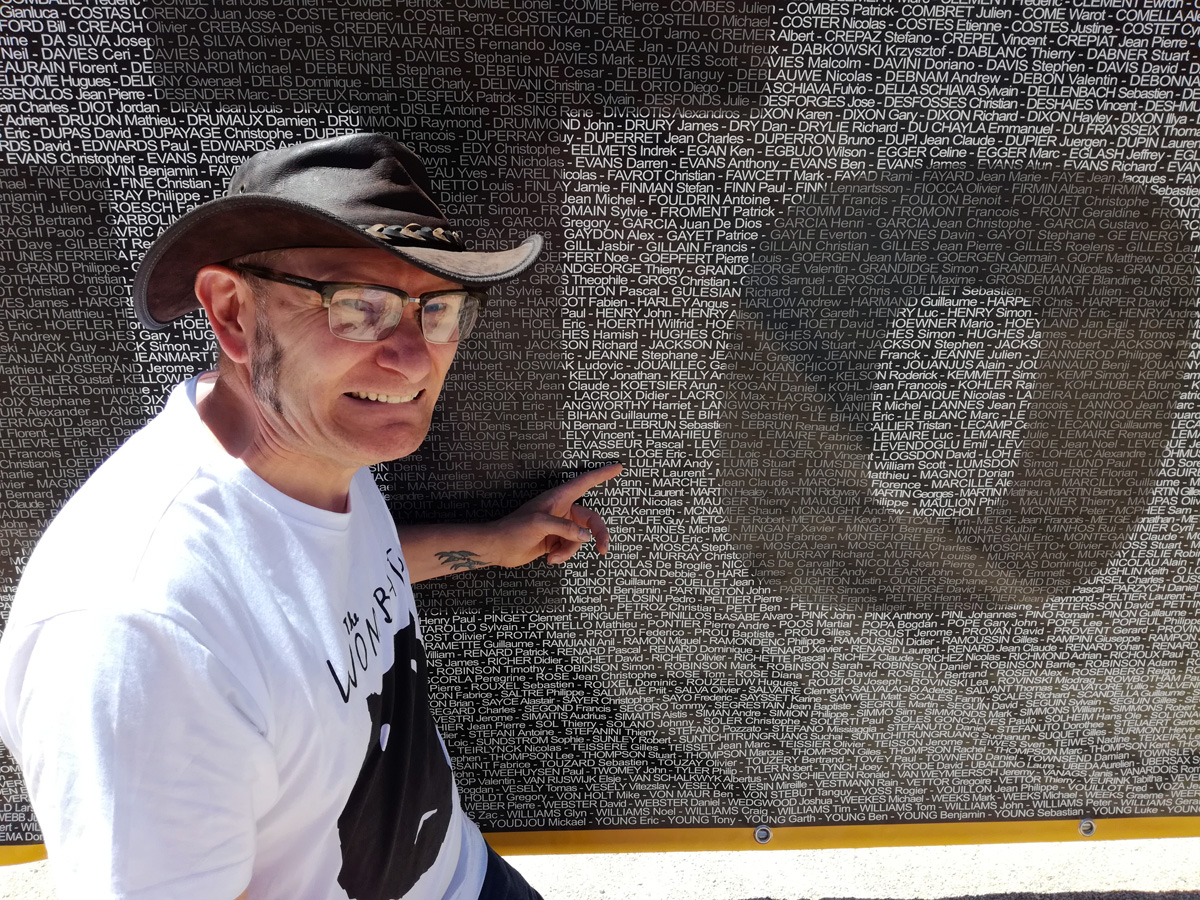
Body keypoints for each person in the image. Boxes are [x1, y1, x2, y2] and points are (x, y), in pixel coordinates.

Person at [0, 133, 621, 900]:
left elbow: (316, 588)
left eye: (438, 309)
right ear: (233, 313)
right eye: (358, 307)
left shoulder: (313, 451)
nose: (414, 359)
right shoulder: (140, 638)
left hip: (468, 873)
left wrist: (488, 545)